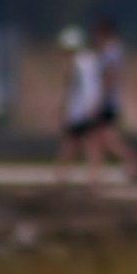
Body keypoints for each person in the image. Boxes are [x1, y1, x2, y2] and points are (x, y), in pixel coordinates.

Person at [92, 18, 137, 181]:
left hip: (107, 101)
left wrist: (98, 100)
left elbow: (109, 77)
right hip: (111, 99)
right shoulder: (115, 50)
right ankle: (97, 173)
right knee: (101, 138)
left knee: (107, 138)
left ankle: (134, 163)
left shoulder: (110, 52)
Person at [54, 25, 106, 188]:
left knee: (83, 142)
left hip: (81, 110)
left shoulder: (83, 62)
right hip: (80, 109)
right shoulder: (84, 61)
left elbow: (89, 86)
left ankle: (86, 176)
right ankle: (70, 175)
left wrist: (90, 105)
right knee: (78, 143)